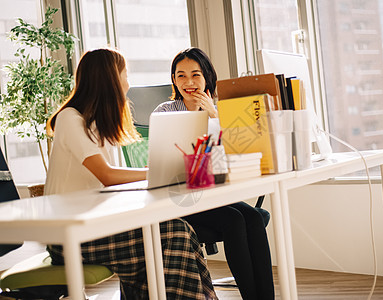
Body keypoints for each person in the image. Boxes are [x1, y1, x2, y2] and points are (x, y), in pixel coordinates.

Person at [44, 48, 217, 300]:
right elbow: (107, 175)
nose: (128, 82)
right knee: (175, 233)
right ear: (109, 79)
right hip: (71, 236)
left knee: (179, 229)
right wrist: (159, 171)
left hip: (98, 226)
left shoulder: (100, 125)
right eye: (125, 74)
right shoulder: (70, 119)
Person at [154, 47, 275, 300]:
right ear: (174, 80)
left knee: (252, 217)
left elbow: (234, 153)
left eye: (195, 75)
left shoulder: (221, 111)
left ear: (207, 77)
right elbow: (168, 163)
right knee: (234, 220)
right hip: (182, 198)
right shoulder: (164, 112)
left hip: (215, 194)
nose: (188, 82)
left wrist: (213, 115)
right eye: (181, 76)